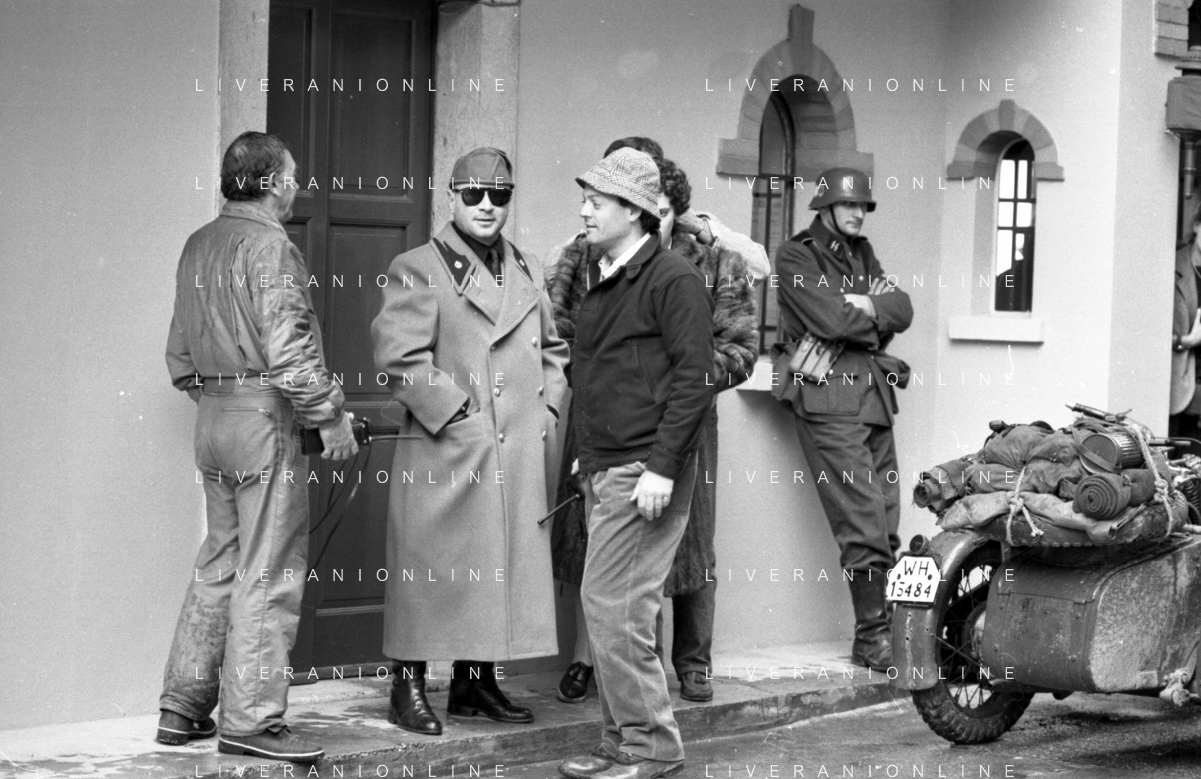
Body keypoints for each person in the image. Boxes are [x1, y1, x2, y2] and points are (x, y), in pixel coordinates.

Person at [159, 130, 358, 763]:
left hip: (214, 418)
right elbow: (291, 351)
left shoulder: (199, 243)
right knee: (267, 569)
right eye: (292, 177)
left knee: (220, 558)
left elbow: (180, 358)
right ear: (271, 184)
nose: (297, 188)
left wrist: (225, 397)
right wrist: (329, 417)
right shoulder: (271, 247)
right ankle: (251, 721)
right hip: (263, 421)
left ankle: (182, 706)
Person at [548, 136, 763, 706]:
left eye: (599, 200)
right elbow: (572, 343)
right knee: (613, 597)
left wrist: (663, 426)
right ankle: (620, 724)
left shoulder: (692, 269)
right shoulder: (596, 264)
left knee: (674, 564)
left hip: (670, 436)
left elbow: (724, 355)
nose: (586, 211)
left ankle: (686, 674)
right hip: (605, 439)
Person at [371, 147, 570, 737]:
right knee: (429, 567)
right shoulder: (418, 266)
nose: (487, 205)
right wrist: (459, 414)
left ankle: (474, 681)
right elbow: (400, 359)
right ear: (451, 197)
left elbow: (554, 349)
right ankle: (406, 684)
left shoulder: (527, 266)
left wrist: (547, 409)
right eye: (474, 194)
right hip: (449, 448)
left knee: (497, 565)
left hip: (516, 449)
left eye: (499, 195)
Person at [556, 148, 714, 779]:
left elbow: (695, 380)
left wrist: (663, 467)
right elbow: (601, 376)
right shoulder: (607, 277)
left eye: (598, 201)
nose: (585, 210)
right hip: (609, 465)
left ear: (634, 210)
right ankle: (622, 740)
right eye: (585, 198)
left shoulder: (673, 279)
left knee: (617, 607)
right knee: (607, 608)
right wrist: (587, 457)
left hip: (645, 470)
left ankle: (652, 747)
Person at [774, 167, 913, 673]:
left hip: (873, 399)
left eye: (863, 206)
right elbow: (831, 320)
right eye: (849, 204)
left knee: (886, 517)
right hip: (828, 398)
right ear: (826, 206)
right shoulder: (796, 256)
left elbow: (904, 308)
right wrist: (869, 314)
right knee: (862, 520)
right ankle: (871, 638)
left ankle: (887, 628)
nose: (858, 213)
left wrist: (867, 305)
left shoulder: (862, 253)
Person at [1170, 204, 1201, 448]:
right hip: (1180, 393)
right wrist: (1185, 341)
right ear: (1197, 225)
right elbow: (1146, 334)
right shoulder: (1171, 265)